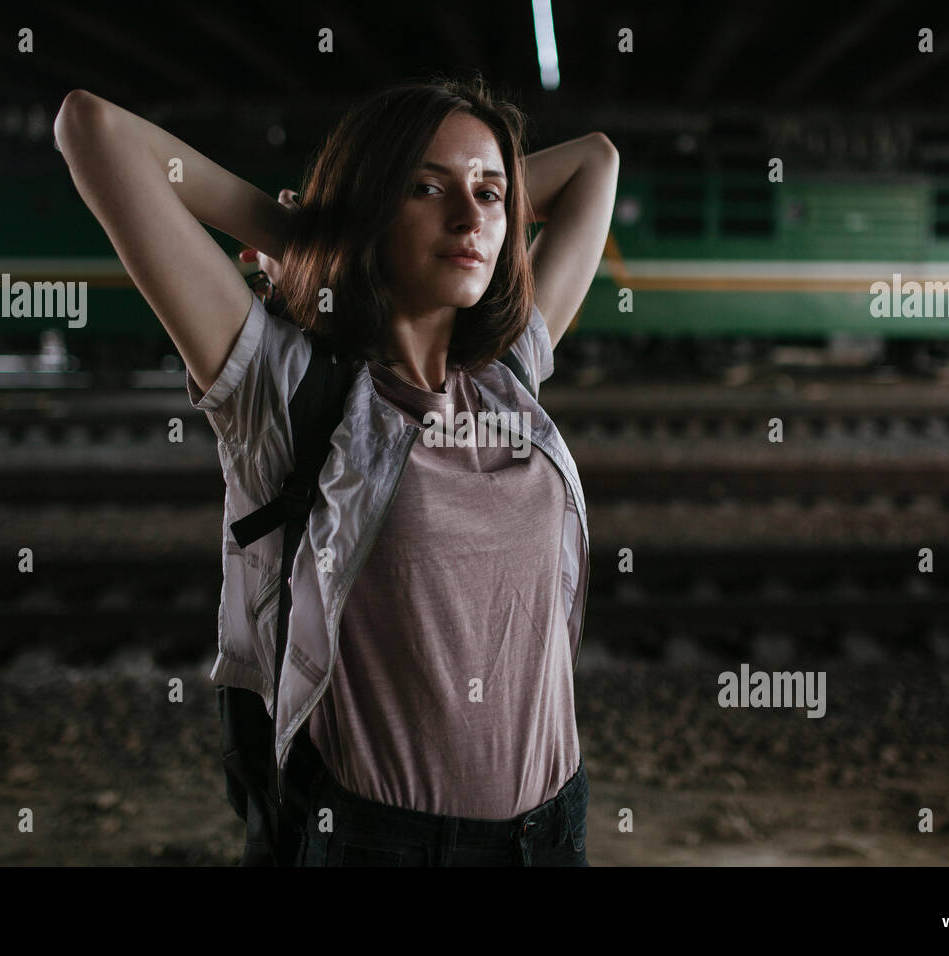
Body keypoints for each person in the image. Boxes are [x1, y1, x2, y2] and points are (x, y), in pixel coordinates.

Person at [53, 74, 620, 866]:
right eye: (425, 187)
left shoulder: (508, 370)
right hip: (379, 845)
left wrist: (457, 198)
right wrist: (311, 232)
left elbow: (597, 161)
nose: (470, 217)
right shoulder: (282, 386)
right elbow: (94, 129)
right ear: (370, 202)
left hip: (552, 831)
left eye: (490, 193)